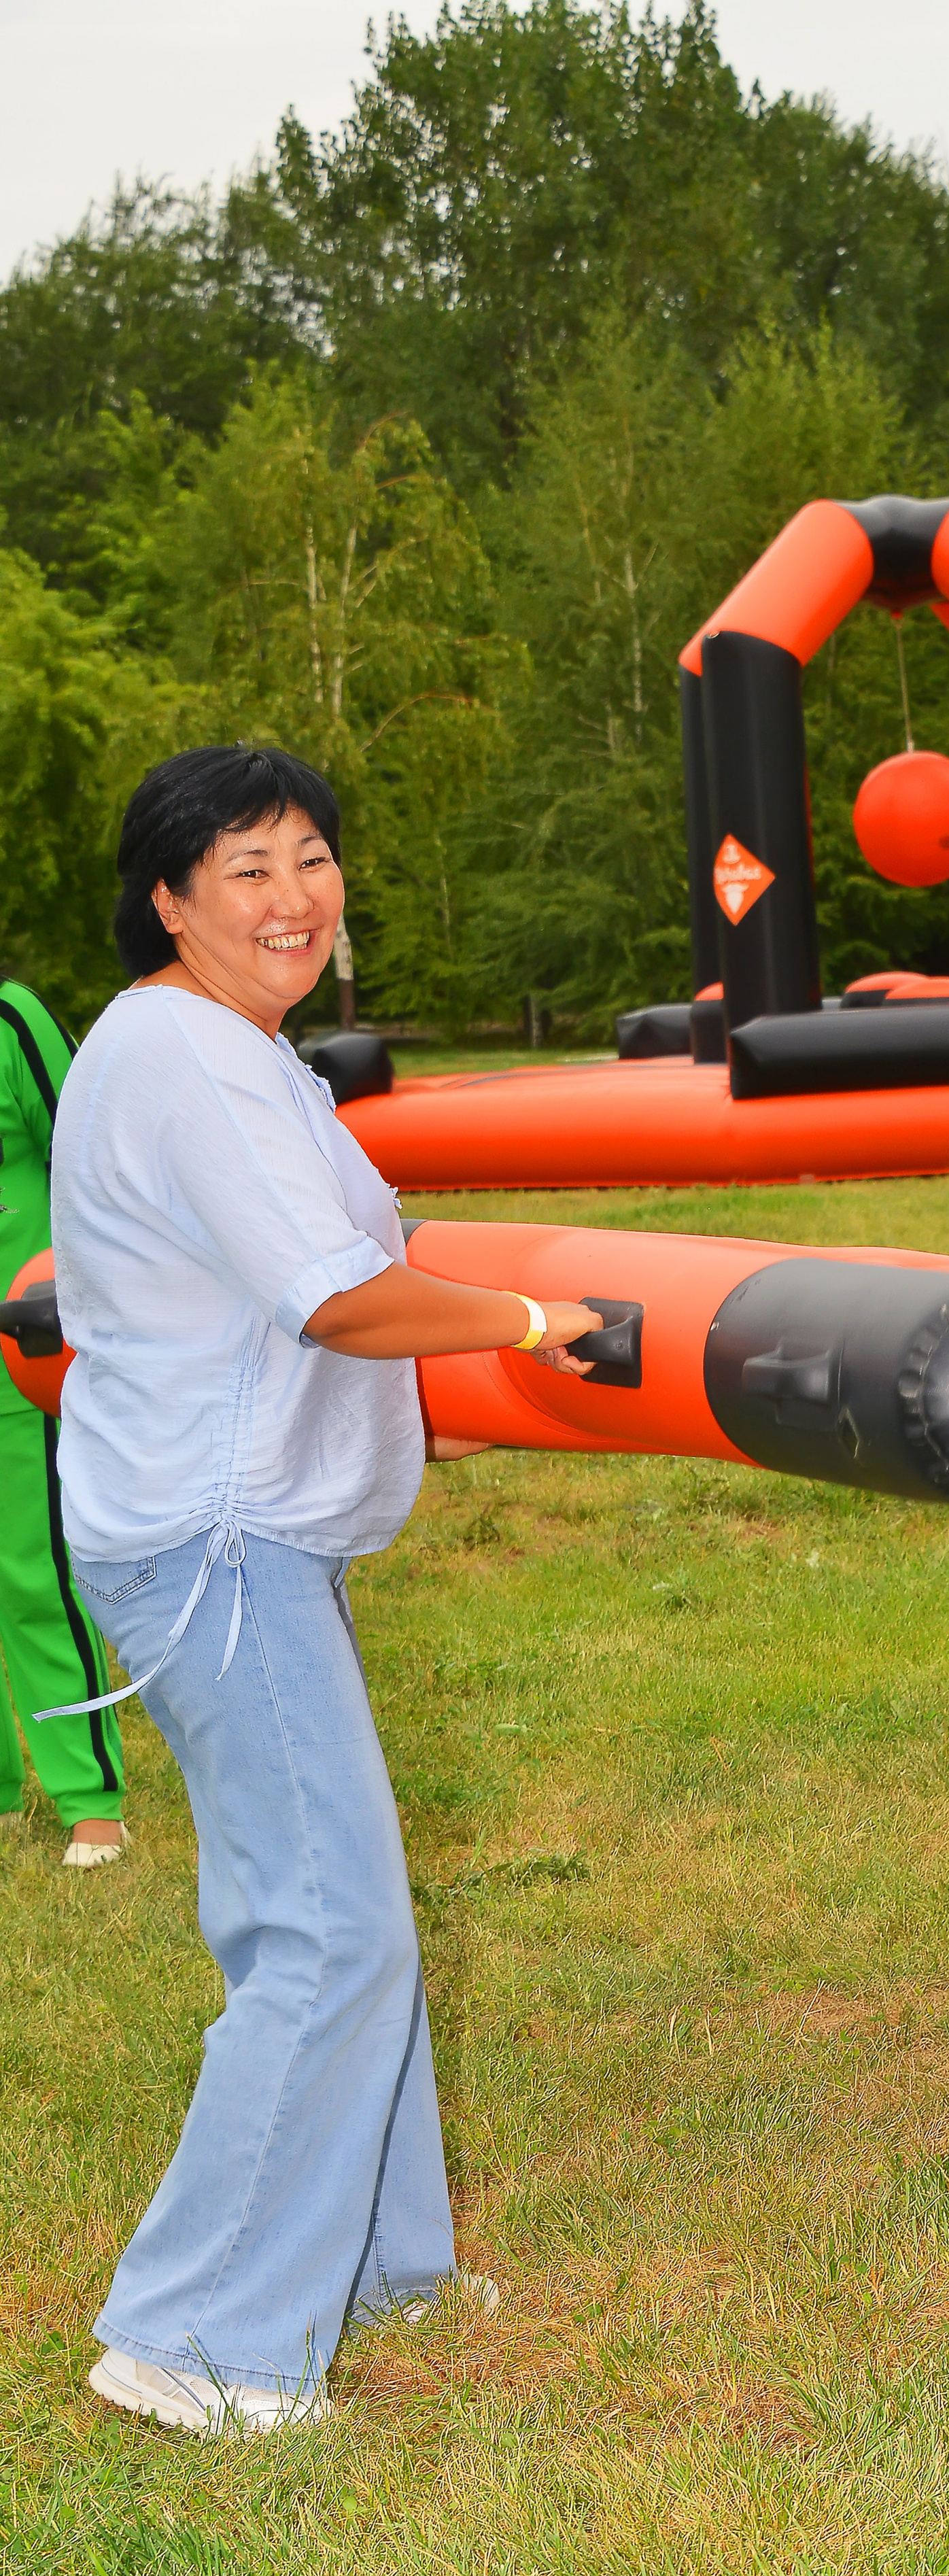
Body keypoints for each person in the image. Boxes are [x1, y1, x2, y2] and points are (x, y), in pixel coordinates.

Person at [47, 744, 604, 2434]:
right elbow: (337, 1299)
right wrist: (524, 1328)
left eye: (310, 858)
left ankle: (375, 2261)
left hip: (241, 1534)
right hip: (218, 1548)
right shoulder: (191, 1061)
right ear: (168, 900)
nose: (292, 899)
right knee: (325, 1928)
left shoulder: (238, 1054)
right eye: (245, 870)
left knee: (331, 1908)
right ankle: (196, 2335)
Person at [0, 980, 128, 1866]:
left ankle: (89, 1801)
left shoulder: (13, 1014)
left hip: (19, 1339)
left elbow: (87, 1148)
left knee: (35, 1576)